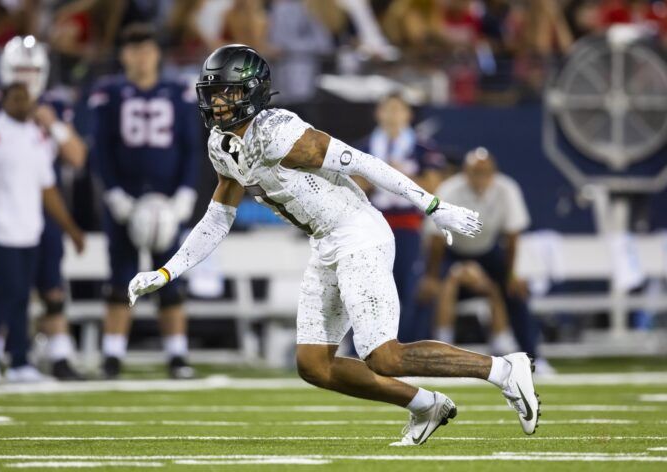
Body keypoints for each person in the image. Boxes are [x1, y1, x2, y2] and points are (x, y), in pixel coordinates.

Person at [128, 44, 539, 446]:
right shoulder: (223, 145)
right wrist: (168, 270)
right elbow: (218, 217)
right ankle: (425, 405)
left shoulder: (280, 133)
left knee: (384, 355)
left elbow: (363, 161)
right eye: (213, 92)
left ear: (252, 91)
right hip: (325, 242)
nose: (218, 102)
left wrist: (431, 205)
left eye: (227, 92)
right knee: (313, 365)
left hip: (359, 233)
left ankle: (504, 368)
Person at [0, 36, 88, 380]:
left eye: (32, 72)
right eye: (20, 74)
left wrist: (50, 123)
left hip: (36, 217)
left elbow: (65, 168)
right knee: (6, 290)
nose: (26, 83)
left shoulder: (42, 126)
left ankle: (40, 356)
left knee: (42, 288)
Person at [89, 24, 200, 380]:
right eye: (134, 50)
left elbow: (191, 148)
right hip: (126, 196)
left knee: (170, 278)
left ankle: (177, 355)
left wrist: (186, 192)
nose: (141, 57)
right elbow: (101, 150)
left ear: (157, 54)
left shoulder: (177, 92)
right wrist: (113, 193)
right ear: (123, 55)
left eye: (147, 49)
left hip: (168, 199)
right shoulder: (110, 93)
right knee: (120, 278)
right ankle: (112, 355)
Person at [420, 147, 554, 374]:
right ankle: (426, 355)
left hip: (488, 251)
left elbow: (512, 237)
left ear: (494, 173)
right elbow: (435, 239)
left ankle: (532, 356)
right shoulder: (449, 190)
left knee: (515, 293)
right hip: (452, 250)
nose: (480, 178)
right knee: (426, 292)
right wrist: (432, 276)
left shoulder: (507, 189)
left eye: (485, 173)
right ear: (465, 172)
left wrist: (511, 275)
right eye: (475, 172)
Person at [355, 93, 443, 342]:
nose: (393, 116)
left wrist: (398, 175)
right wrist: (378, 174)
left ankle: (405, 345)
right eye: (388, 110)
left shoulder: (422, 147)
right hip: (372, 225)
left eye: (398, 110)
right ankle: (364, 346)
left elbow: (433, 186)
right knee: (368, 287)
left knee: (406, 287)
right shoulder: (364, 148)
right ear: (378, 114)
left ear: (408, 115)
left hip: (408, 226)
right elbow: (353, 186)